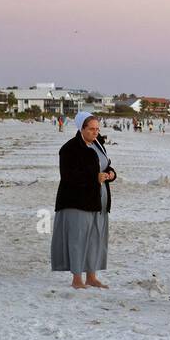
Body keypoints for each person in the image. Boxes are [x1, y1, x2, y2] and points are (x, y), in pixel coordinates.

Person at [50, 111, 116, 289]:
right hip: (77, 202)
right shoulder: (69, 148)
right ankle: (77, 279)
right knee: (78, 239)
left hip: (98, 200)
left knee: (96, 238)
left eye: (97, 129)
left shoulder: (98, 144)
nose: (96, 132)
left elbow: (106, 164)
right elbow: (68, 176)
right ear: (81, 128)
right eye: (92, 129)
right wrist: (94, 177)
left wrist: (111, 174)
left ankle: (92, 277)